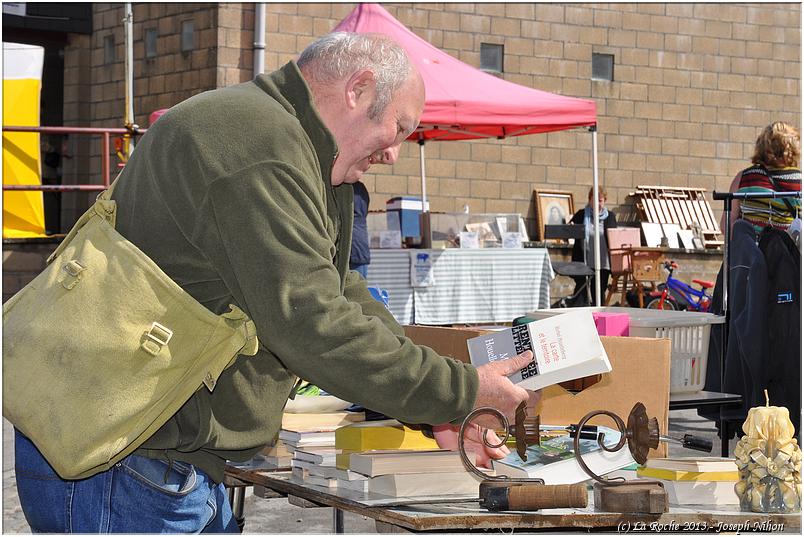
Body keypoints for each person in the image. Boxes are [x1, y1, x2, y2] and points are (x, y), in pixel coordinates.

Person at [13, 32, 539, 533]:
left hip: (142, 452)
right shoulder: (260, 144)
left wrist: (442, 405)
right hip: (127, 460)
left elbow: (338, 291)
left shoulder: (292, 141)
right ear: (358, 91)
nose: (394, 153)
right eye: (399, 128)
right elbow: (314, 324)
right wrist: (462, 392)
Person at [722, 121, 801, 235]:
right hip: (786, 250)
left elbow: (726, 226)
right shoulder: (800, 181)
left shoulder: (743, 178)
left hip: (751, 248)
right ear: (792, 148)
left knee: (740, 226)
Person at [349, 146, 399, 278]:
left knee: (352, 292)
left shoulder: (348, 188)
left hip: (351, 247)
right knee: (360, 290)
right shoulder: (361, 188)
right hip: (361, 246)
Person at [570, 186, 617, 305]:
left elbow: (614, 237)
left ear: (604, 201)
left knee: (599, 292)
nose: (597, 203)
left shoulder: (610, 217)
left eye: (600, 200)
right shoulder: (581, 215)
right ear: (589, 200)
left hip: (602, 262)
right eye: (594, 200)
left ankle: (598, 318)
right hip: (583, 260)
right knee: (581, 291)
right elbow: (568, 230)